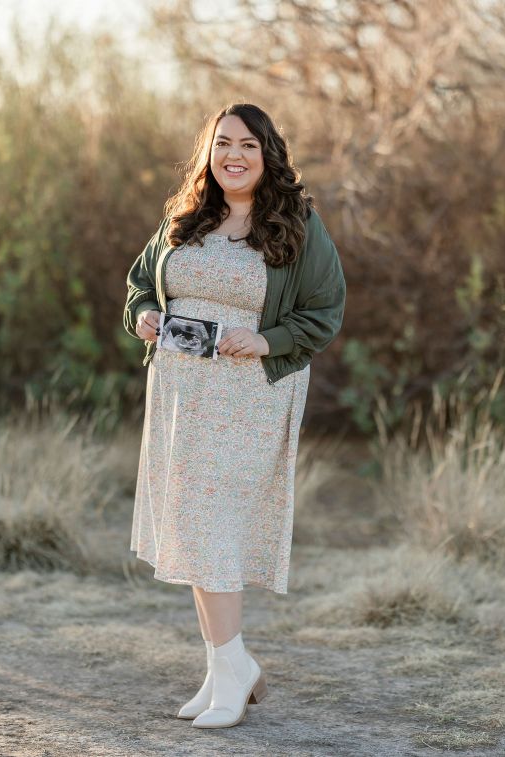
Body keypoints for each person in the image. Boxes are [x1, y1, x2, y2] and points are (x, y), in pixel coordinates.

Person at [122, 102, 347, 728]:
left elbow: (325, 310)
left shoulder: (296, 225)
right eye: (223, 144)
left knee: (216, 531)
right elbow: (141, 283)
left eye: (248, 144)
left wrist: (266, 341)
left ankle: (233, 671)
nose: (234, 155)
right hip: (180, 394)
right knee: (196, 532)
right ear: (209, 153)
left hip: (247, 396)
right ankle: (227, 669)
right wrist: (141, 316)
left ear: (267, 153)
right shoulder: (187, 219)